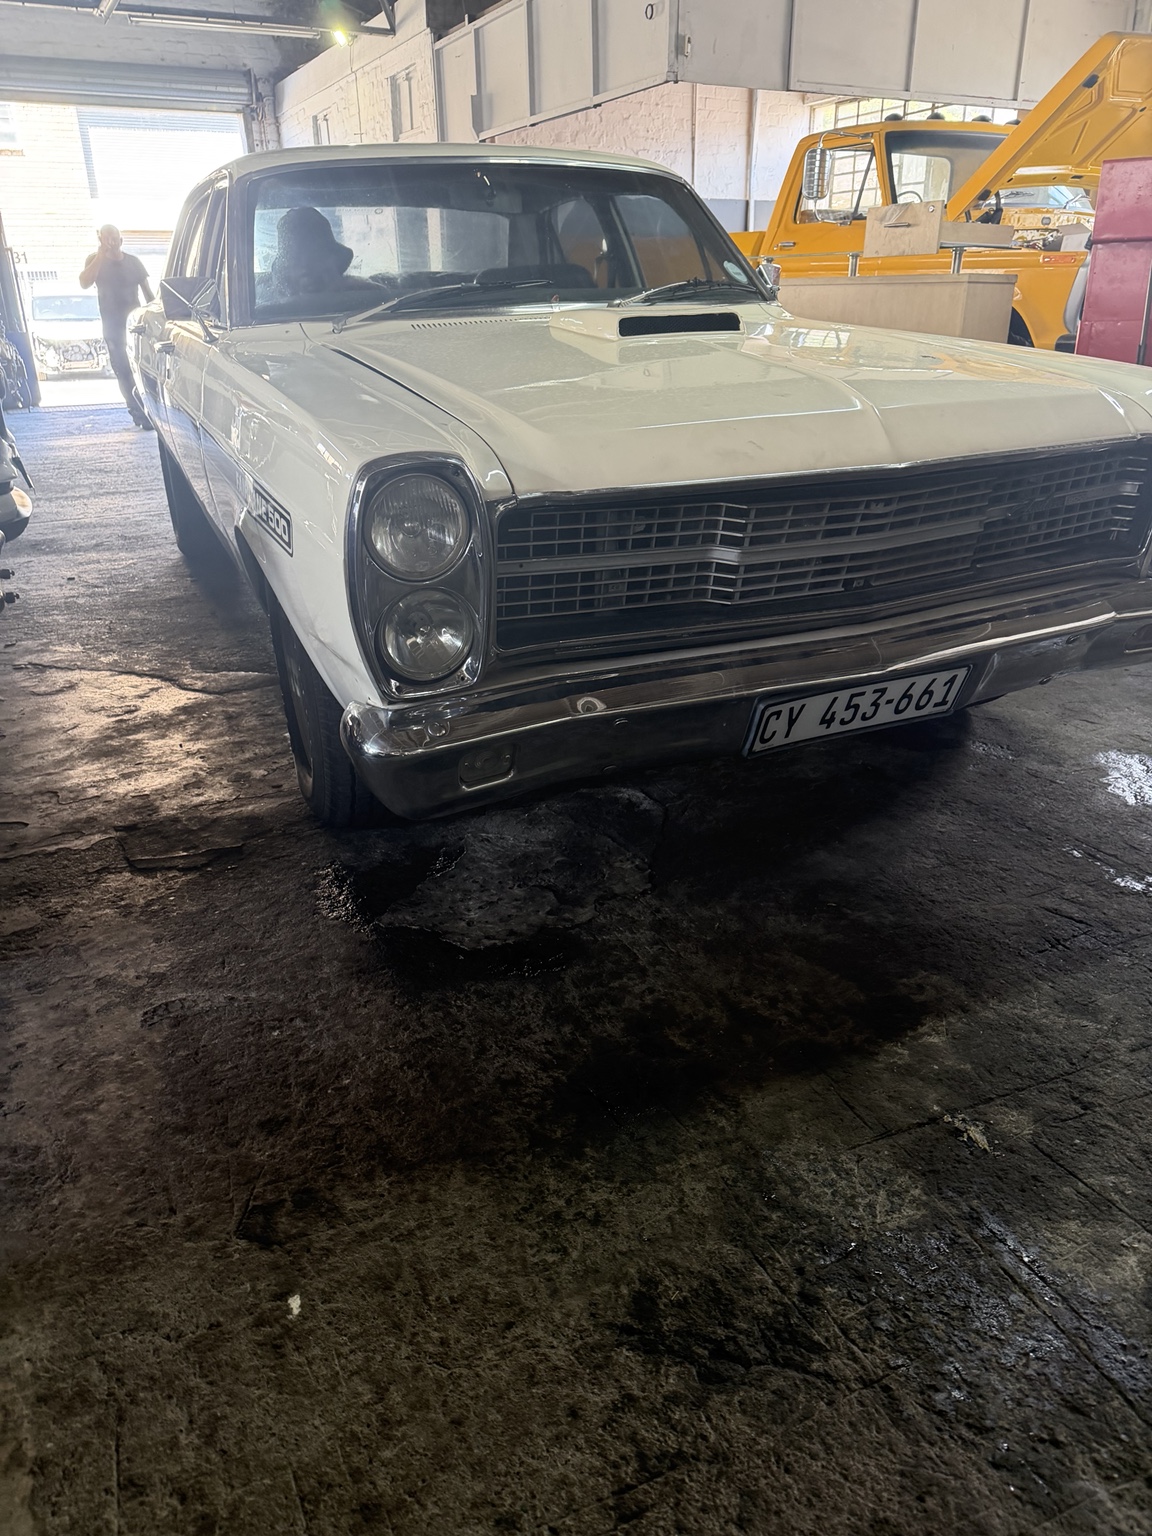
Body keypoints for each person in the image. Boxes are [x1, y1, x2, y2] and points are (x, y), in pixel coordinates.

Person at [79, 225, 154, 429]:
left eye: (115, 238)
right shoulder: (94, 261)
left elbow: (148, 293)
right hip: (112, 326)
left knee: (142, 369)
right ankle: (138, 413)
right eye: (107, 238)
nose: (111, 242)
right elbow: (84, 282)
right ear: (100, 239)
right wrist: (100, 256)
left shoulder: (134, 263)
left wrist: (156, 317)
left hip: (136, 326)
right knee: (123, 371)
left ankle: (149, 409)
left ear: (121, 240)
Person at [268, 206, 377, 301]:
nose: (305, 268)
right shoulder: (269, 312)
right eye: (295, 260)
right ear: (285, 271)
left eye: (314, 256)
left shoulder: (373, 300)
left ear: (334, 260)